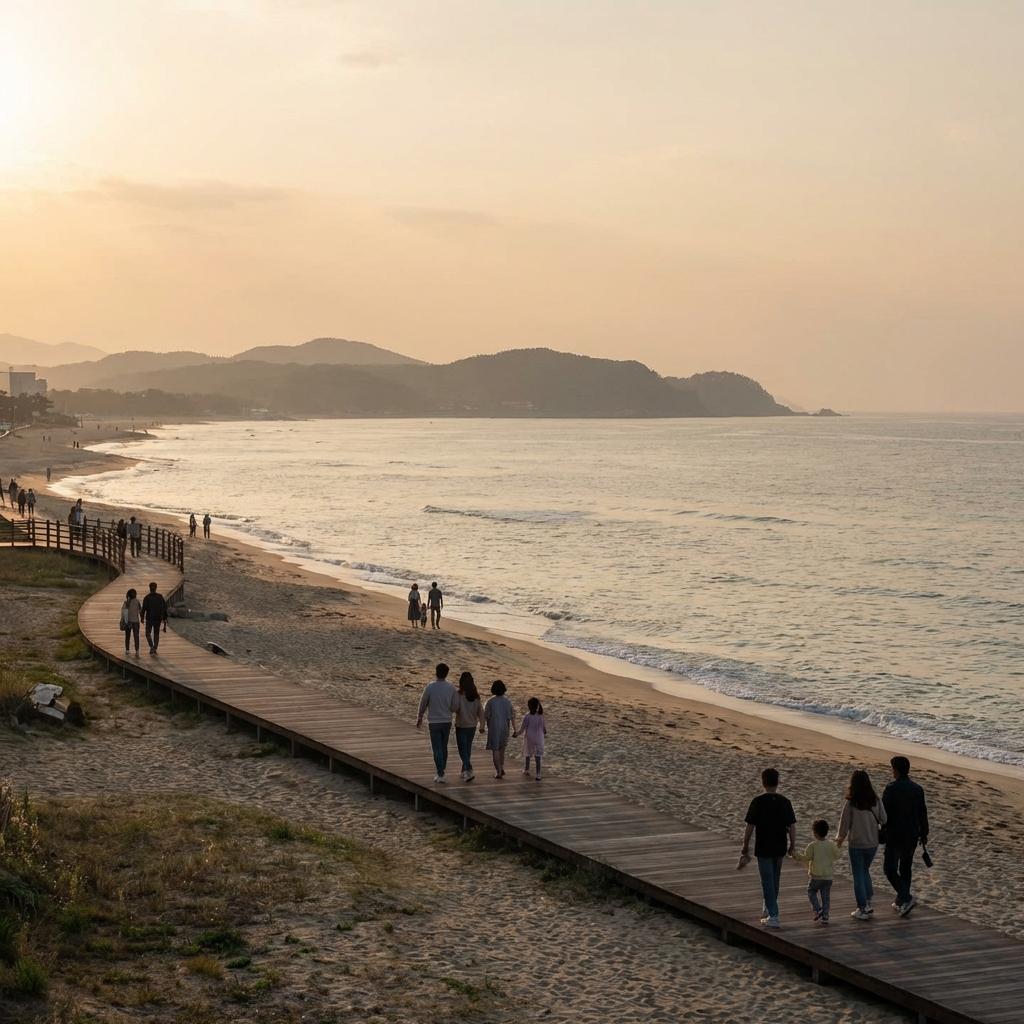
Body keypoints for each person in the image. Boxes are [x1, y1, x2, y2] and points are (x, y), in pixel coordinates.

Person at [740, 768, 797, 929]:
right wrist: (792, 844)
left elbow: (750, 826)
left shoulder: (757, 801)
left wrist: (745, 845)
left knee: (767, 880)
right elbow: (792, 826)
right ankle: (769, 908)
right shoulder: (785, 802)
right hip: (779, 845)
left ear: (763, 782)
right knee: (775, 879)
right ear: (777, 783)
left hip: (764, 846)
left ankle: (773, 914)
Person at [882, 755, 929, 917]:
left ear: (896, 770)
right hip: (912, 835)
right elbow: (923, 813)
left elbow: (884, 815)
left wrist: (881, 831)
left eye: (892, 769)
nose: (892, 772)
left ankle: (906, 897)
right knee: (905, 868)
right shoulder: (917, 789)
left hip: (895, 834)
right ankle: (901, 901)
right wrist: (924, 833)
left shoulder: (891, 788)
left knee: (889, 869)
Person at [837, 769, 887, 920]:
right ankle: (868, 900)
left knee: (858, 874)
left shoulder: (851, 802)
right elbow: (884, 819)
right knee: (864, 870)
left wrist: (839, 839)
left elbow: (844, 824)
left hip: (856, 844)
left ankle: (862, 907)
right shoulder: (875, 800)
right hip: (872, 843)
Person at [791, 819, 841, 924]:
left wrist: (795, 854)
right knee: (825, 896)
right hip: (828, 877)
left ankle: (818, 909)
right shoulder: (831, 845)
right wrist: (838, 844)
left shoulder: (812, 845)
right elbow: (837, 855)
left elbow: (805, 858)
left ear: (815, 833)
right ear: (827, 831)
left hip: (816, 877)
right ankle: (825, 916)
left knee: (811, 892)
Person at [415, 663, 457, 783]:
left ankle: (440, 773)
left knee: (437, 748)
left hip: (434, 722)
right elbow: (454, 707)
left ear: (436, 672)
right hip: (447, 721)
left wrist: (420, 717)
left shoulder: (430, 687)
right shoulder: (451, 688)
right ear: (447, 673)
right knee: (443, 747)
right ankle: (441, 769)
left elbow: (423, 703)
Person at [453, 672, 485, 782]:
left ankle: (469, 769)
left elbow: (455, 708)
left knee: (462, 750)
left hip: (461, 726)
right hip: (472, 727)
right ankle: (464, 771)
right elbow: (481, 712)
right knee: (467, 748)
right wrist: (482, 725)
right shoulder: (476, 696)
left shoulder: (459, 694)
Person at [484, 680, 517, 779]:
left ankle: (498, 771)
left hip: (494, 728)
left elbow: (486, 716)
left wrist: (484, 726)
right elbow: (511, 717)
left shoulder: (490, 702)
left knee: (495, 750)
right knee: (502, 749)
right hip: (505, 727)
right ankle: (501, 767)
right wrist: (515, 730)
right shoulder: (507, 702)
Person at [520, 697, 547, 782]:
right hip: (539, 739)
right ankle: (538, 774)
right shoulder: (540, 716)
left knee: (527, 754)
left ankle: (527, 769)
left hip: (529, 738)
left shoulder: (527, 716)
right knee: (538, 757)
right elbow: (544, 730)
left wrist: (516, 733)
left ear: (528, 706)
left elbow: (522, 729)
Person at [142, 581, 168, 654]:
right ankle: (154, 648)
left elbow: (144, 608)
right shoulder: (160, 597)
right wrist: (165, 619)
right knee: (156, 634)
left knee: (148, 633)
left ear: (149, 588)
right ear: (156, 588)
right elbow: (164, 608)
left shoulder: (147, 597)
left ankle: (152, 647)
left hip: (149, 618)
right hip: (157, 618)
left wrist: (141, 617)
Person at [120, 588, 142, 656]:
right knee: (136, 636)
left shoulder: (126, 602)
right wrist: (142, 618)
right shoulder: (137, 601)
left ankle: (127, 650)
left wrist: (124, 621)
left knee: (127, 636)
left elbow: (124, 612)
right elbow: (140, 611)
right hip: (135, 621)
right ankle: (137, 651)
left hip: (128, 621)